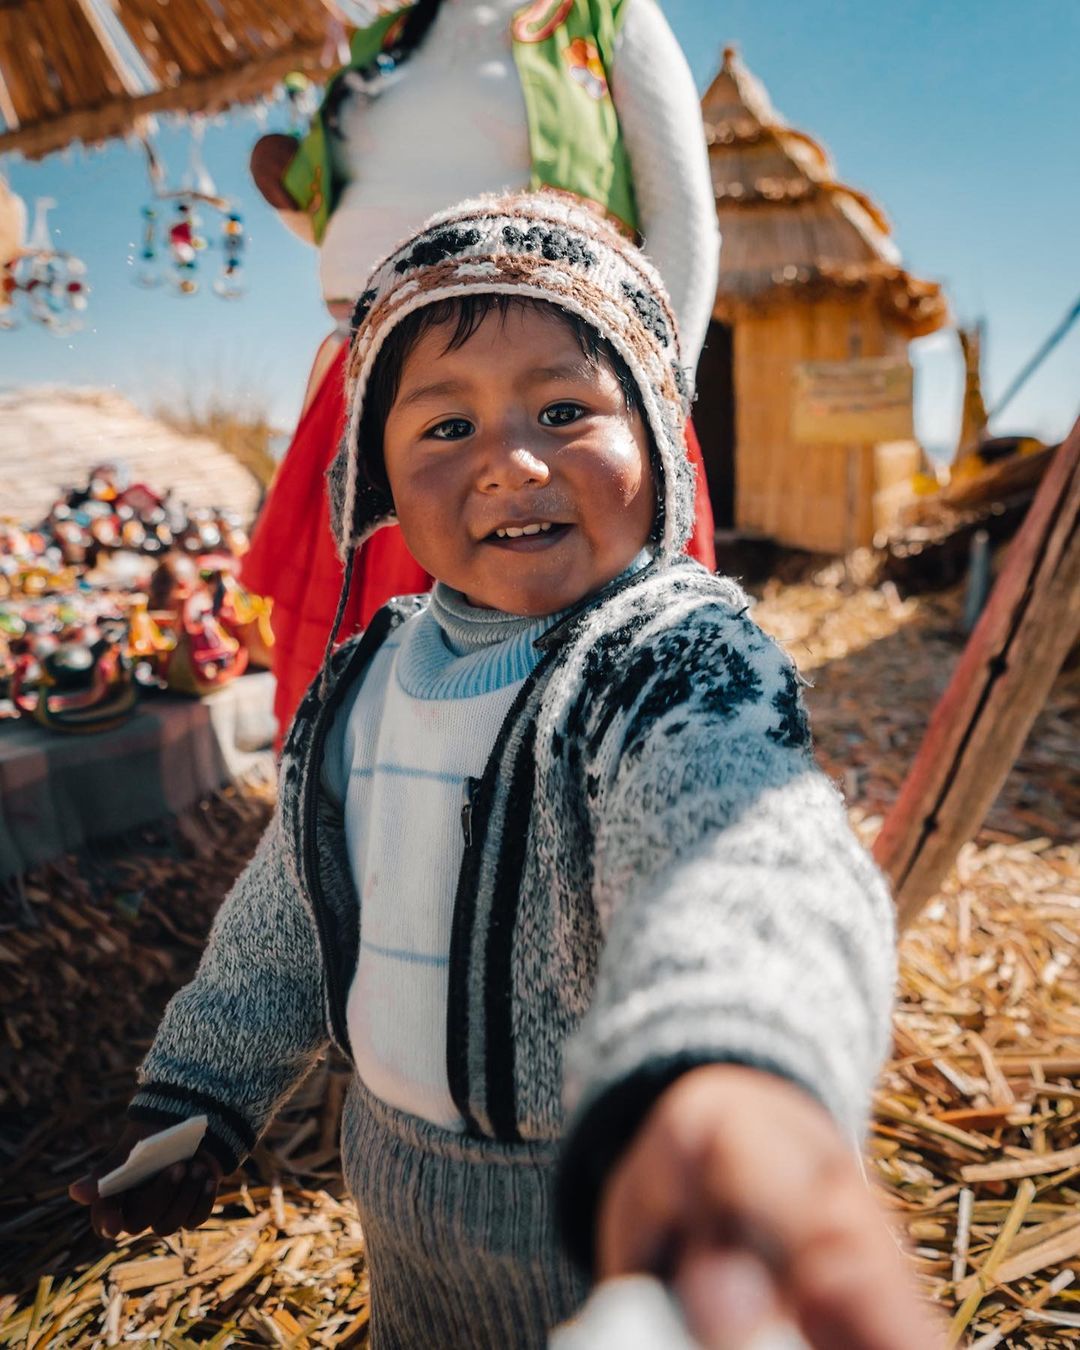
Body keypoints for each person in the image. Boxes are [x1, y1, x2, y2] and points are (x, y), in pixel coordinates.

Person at [71, 195, 941, 1350]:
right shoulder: (368, 678)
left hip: (611, 1215)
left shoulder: (670, 662)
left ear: (658, 432)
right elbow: (285, 919)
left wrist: (731, 1073)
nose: (511, 464)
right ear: (375, 478)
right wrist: (199, 1097)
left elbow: (743, 850)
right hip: (398, 1193)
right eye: (445, 427)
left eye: (565, 410)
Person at [242, 0, 720, 745]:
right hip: (377, 395)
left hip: (549, 395)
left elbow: (683, 216)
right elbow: (368, 198)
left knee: (559, 704)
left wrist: (653, 405)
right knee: (362, 711)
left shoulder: (602, 16)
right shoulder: (382, 40)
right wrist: (292, 198)